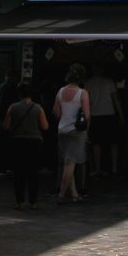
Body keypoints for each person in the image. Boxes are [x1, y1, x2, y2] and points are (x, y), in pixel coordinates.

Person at [3, 82, 49, 209]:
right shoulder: (38, 108)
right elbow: (45, 126)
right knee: (33, 173)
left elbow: (6, 126)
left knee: (19, 173)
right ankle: (33, 201)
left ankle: (19, 201)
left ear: (19, 94)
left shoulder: (12, 107)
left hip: (18, 142)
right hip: (35, 143)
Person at [53, 65, 90, 203]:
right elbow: (87, 115)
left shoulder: (60, 91)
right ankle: (61, 195)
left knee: (68, 162)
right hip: (76, 131)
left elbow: (56, 111)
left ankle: (74, 194)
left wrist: (63, 118)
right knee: (70, 163)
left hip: (62, 130)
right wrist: (87, 131)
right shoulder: (82, 93)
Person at [86, 63, 123, 177]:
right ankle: (114, 168)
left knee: (96, 143)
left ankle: (97, 169)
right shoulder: (110, 82)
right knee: (113, 143)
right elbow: (116, 100)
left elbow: (86, 103)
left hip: (95, 115)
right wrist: (121, 116)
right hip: (109, 114)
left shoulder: (88, 83)